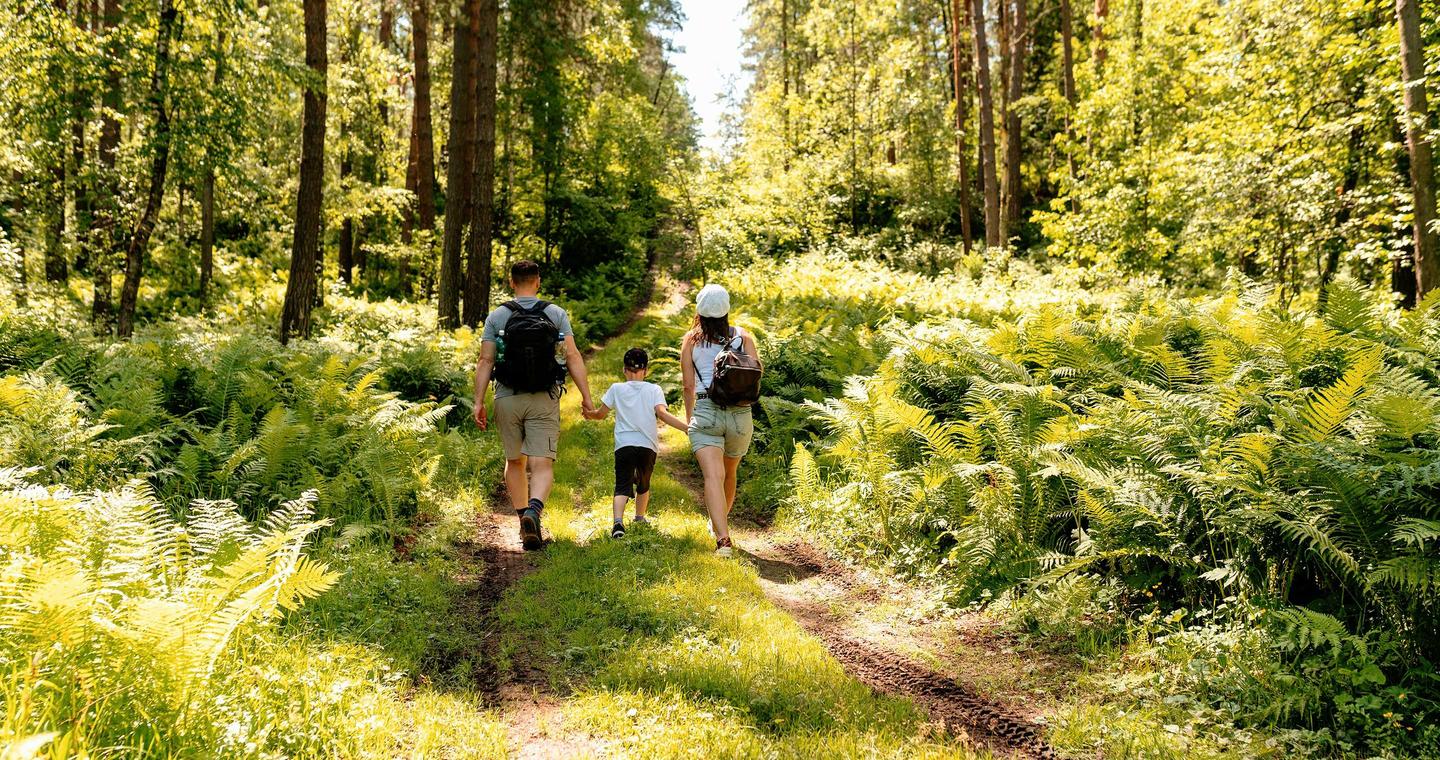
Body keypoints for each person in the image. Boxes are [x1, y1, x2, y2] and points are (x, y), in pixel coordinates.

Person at [474, 259, 595, 550]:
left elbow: (486, 360)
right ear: (537, 281)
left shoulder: (497, 316)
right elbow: (573, 356)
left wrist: (478, 401)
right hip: (544, 396)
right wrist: (587, 398)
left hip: (507, 396)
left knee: (515, 461)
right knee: (542, 464)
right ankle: (534, 512)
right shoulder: (555, 314)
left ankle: (521, 522)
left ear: (512, 282)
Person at [681, 284, 762, 558]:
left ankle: (723, 540)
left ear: (699, 311)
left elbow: (688, 387)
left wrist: (691, 419)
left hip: (706, 411)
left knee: (712, 476)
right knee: (729, 473)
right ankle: (720, 524)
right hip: (740, 414)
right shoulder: (743, 337)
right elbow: (755, 375)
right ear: (726, 310)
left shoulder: (691, 340)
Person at [583, 347, 688, 539]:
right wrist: (686, 428)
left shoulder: (616, 388)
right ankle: (639, 518)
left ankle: (618, 523)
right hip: (648, 446)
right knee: (644, 483)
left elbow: (600, 414)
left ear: (624, 369)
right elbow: (663, 415)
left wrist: (589, 414)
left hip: (624, 445)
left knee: (622, 484)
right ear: (645, 370)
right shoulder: (654, 389)